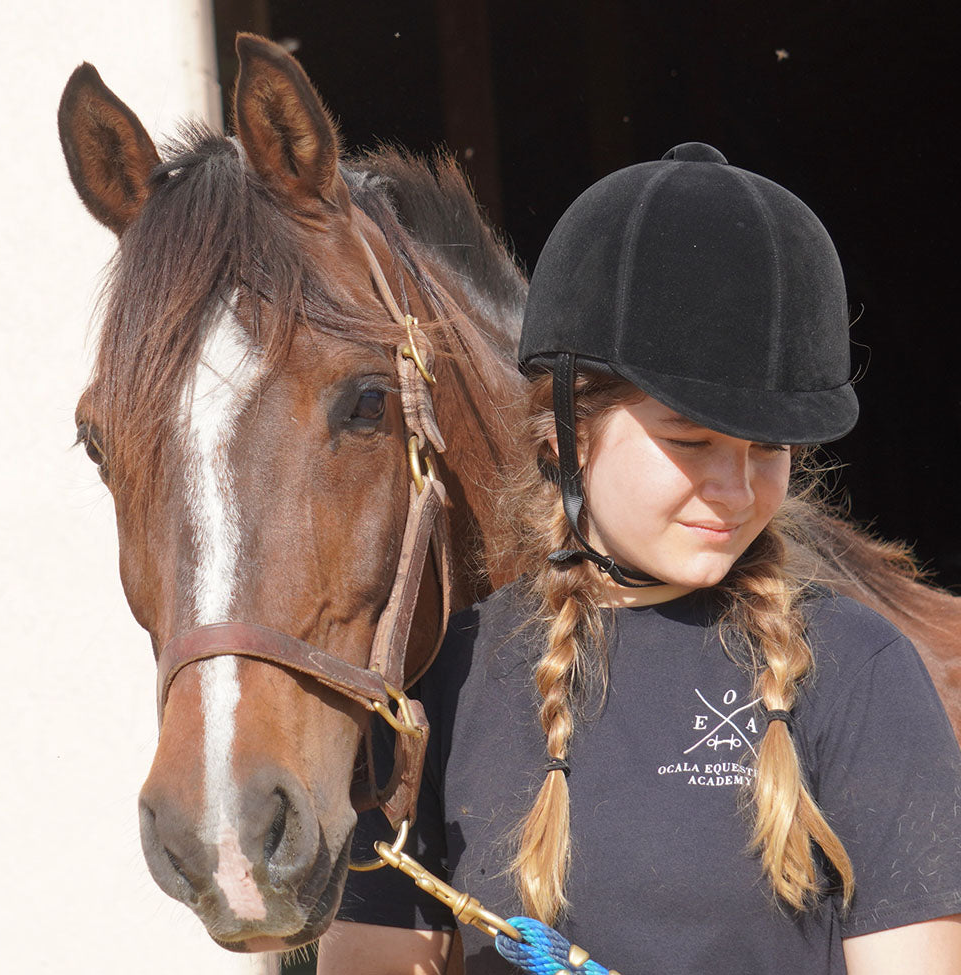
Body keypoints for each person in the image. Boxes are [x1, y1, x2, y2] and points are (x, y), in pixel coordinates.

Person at [318, 143, 961, 974]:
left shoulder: (859, 672)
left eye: (769, 447)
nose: (735, 487)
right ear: (564, 429)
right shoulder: (446, 680)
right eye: (690, 441)